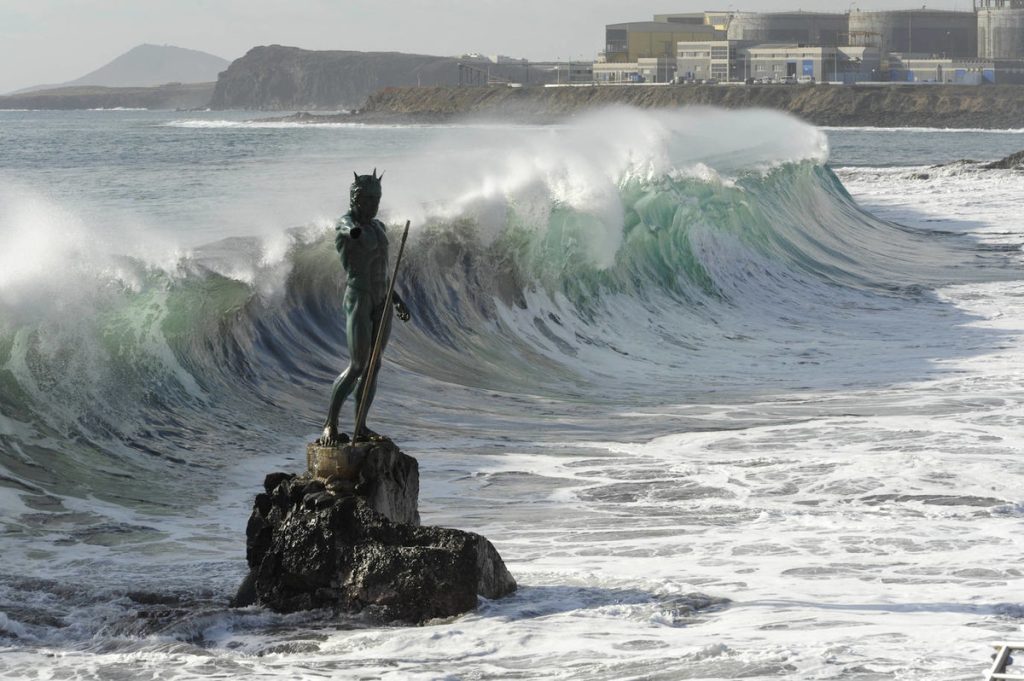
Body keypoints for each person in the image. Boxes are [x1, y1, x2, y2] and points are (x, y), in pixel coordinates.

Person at [321, 170, 410, 445]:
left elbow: (382, 271)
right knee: (358, 365)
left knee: (374, 365)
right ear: (356, 199)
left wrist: (396, 299)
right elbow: (347, 229)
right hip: (359, 298)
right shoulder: (347, 224)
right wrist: (354, 231)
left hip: (382, 300)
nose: (374, 205)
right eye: (369, 200)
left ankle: (361, 426)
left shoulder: (379, 227)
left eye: (377, 199)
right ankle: (330, 425)